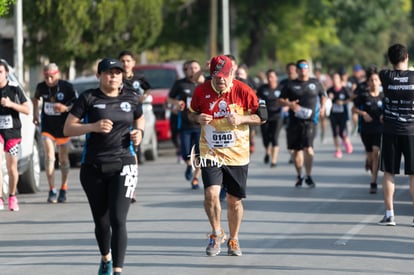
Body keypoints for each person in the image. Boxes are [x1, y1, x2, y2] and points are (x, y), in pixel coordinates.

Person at [63, 58, 144, 274]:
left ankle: (118, 270)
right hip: (93, 166)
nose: (114, 76)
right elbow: (68, 129)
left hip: (124, 163)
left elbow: (140, 118)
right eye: (109, 72)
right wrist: (93, 126)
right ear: (99, 76)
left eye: (117, 72)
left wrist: (140, 133)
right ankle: (106, 258)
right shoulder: (88, 98)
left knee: (118, 219)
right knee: (102, 222)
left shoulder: (131, 97)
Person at [188, 55, 264, 257]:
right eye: (216, 76)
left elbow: (262, 117)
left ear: (231, 73)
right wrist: (198, 118)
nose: (220, 79)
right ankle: (215, 233)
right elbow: (191, 113)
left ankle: (234, 238)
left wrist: (241, 118)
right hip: (211, 151)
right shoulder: (201, 91)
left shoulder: (244, 90)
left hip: (237, 154)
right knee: (211, 194)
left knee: (234, 201)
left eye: (224, 75)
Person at [377, 43, 414, 226]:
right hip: (412, 131)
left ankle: (390, 214)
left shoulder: (385, 75)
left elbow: (384, 71)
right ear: (407, 56)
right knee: (413, 174)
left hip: (391, 130)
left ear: (390, 60)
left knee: (389, 172)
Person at [33, 63, 77, 203]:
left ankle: (64, 187)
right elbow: (35, 100)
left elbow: (76, 105)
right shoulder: (41, 87)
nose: (49, 80)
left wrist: (65, 108)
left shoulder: (67, 87)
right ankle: (52, 189)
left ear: (57, 73)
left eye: (51, 76)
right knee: (50, 157)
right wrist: (35, 114)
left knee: (63, 159)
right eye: (46, 77)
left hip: (63, 128)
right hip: (48, 127)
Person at [278, 59, 326, 188]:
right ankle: (300, 175)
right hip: (294, 121)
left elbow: (323, 95)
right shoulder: (290, 84)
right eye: (301, 67)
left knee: (308, 149)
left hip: (310, 121)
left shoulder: (315, 83)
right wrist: (289, 104)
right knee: (296, 151)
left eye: (306, 67)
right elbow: (280, 101)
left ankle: (309, 175)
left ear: (308, 69)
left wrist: (323, 107)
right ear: (297, 70)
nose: (304, 69)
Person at [0, 60, 30, 211]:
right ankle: (0, 198)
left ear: (6, 73)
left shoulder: (14, 89)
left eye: (0, 72)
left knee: (11, 167)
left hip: (12, 133)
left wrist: (11, 104)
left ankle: (12, 196)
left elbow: (27, 109)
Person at [168, 60, 203, 189]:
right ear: (186, 70)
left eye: (196, 68)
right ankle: (189, 165)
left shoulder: (203, 84)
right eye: (190, 68)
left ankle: (196, 178)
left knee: (200, 154)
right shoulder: (180, 84)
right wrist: (177, 103)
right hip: (185, 124)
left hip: (200, 125)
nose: (193, 70)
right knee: (186, 152)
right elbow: (169, 98)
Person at [352, 67, 383, 194]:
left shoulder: (384, 96)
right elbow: (353, 109)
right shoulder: (364, 95)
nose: (374, 82)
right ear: (368, 82)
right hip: (366, 129)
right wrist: (363, 113)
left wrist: (384, 115)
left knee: (376, 153)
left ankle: (373, 182)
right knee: (370, 155)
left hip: (380, 129)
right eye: (371, 80)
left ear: (380, 81)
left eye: (376, 80)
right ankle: (369, 163)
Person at [118, 50, 151, 165]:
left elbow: (148, 89)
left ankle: (138, 151)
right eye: (122, 61)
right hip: (122, 111)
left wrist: (144, 96)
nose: (125, 64)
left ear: (133, 63)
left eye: (128, 61)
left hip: (137, 111)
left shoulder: (139, 76)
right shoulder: (117, 78)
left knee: (137, 131)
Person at [257, 69, 283, 167]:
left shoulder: (281, 88)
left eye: (272, 76)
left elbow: (286, 99)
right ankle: (267, 151)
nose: (270, 79)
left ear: (276, 77)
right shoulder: (263, 89)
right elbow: (257, 99)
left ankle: (274, 160)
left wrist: (285, 106)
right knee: (265, 138)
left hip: (277, 116)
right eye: (268, 76)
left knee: (275, 137)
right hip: (265, 116)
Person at [326, 72, 353, 158]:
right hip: (333, 114)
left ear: (340, 79)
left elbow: (351, 98)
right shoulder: (329, 90)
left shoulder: (344, 89)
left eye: (336, 78)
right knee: (334, 133)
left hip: (343, 114)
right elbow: (325, 101)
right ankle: (338, 150)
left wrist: (343, 102)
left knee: (342, 132)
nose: (335, 80)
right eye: (333, 78)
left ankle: (347, 142)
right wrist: (329, 98)